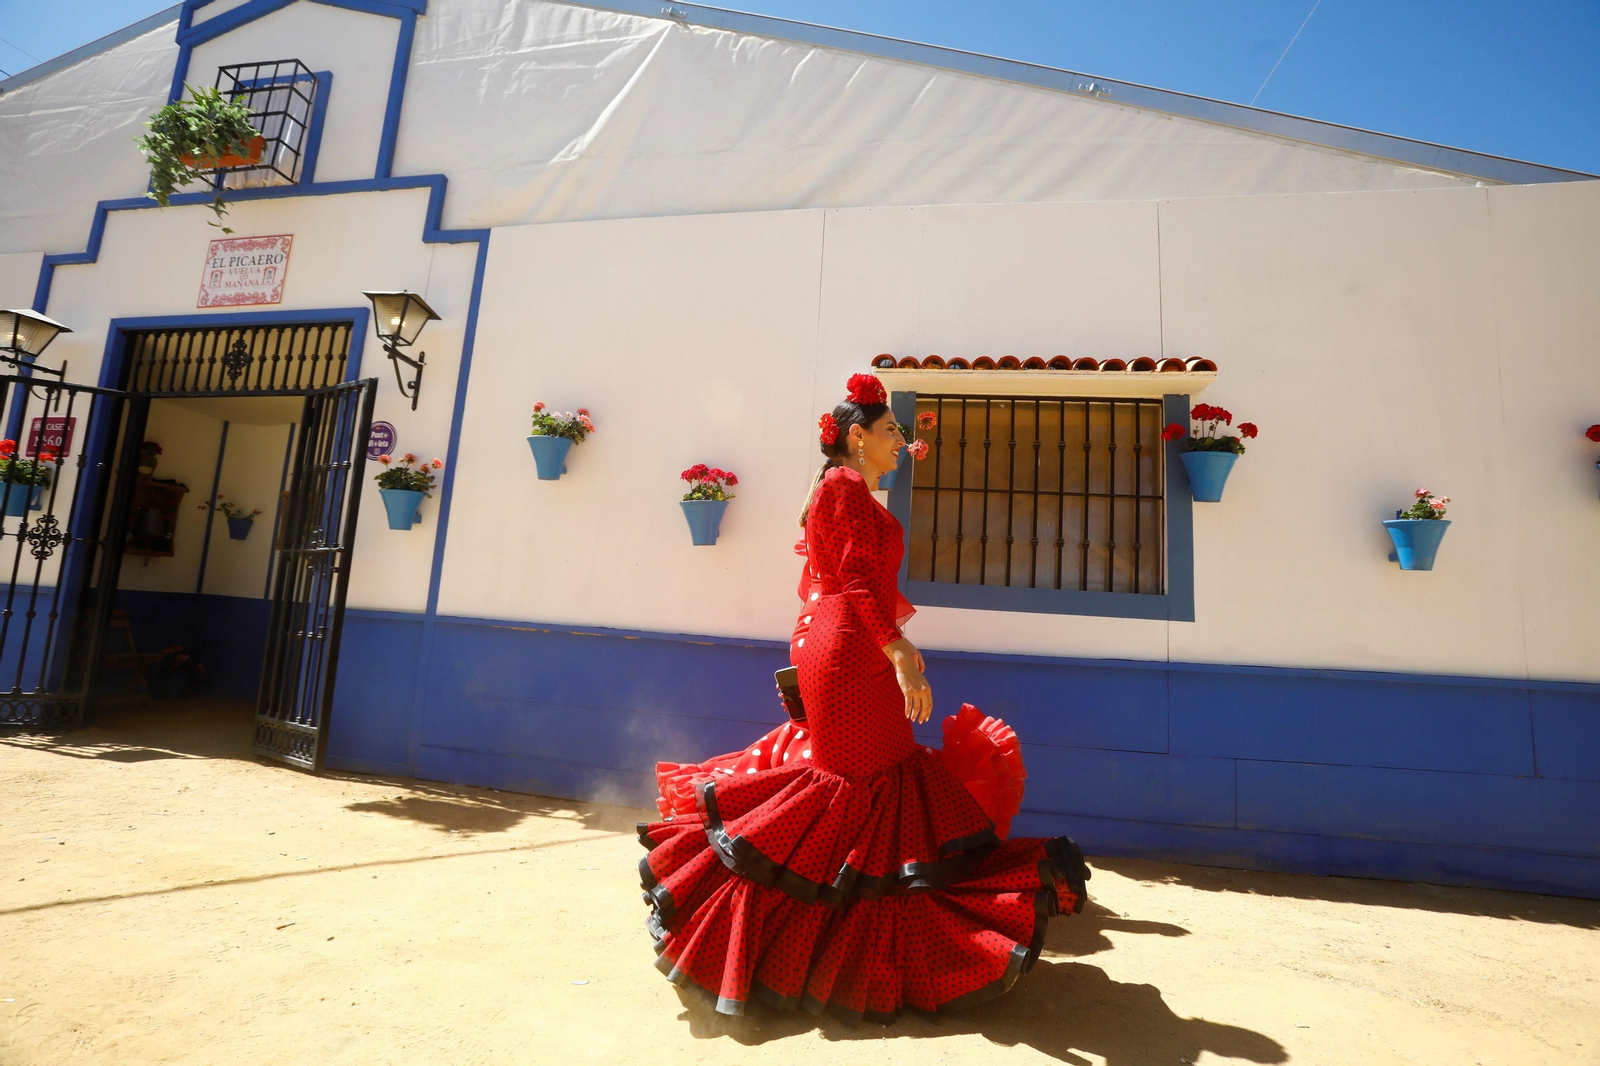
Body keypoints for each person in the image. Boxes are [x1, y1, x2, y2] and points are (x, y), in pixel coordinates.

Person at [637, 372, 1090, 1024]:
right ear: (858, 437)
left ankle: (856, 949)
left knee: (880, 785)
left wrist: (896, 643)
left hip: (858, 645)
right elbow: (850, 577)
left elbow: (863, 579)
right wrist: (897, 650)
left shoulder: (848, 489)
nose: (901, 442)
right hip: (851, 652)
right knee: (856, 790)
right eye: (890, 432)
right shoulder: (844, 485)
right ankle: (755, 924)